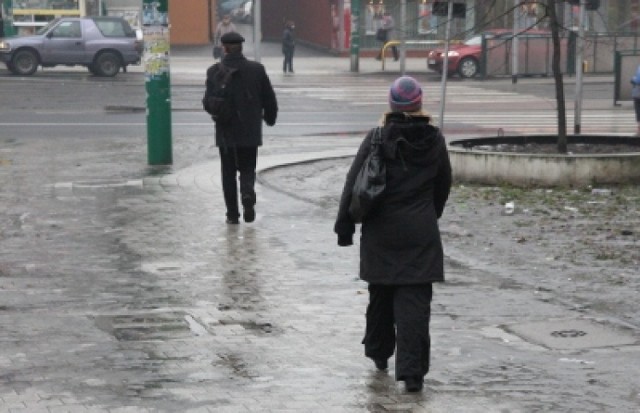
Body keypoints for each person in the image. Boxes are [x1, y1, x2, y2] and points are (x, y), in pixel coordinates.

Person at [334, 76, 452, 392]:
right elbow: (443, 185)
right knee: (415, 301)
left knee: (381, 295)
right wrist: (429, 213)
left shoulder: (377, 138)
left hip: (380, 231)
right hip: (419, 232)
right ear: (419, 104)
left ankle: (379, 353)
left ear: (391, 103)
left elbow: (353, 183)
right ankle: (412, 374)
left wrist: (344, 227)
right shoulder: (435, 140)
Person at [206, 32, 278, 224]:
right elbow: (269, 99)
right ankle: (247, 193)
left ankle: (232, 215)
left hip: (225, 131)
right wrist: (270, 118)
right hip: (249, 130)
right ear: (241, 48)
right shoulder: (257, 70)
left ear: (224, 48)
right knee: (247, 167)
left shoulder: (214, 72)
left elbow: (207, 103)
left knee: (227, 172)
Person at [631, 64, 640, 136]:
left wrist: (633, 79)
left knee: (638, 110)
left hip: (637, 93)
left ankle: (639, 128)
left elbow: (638, 80)